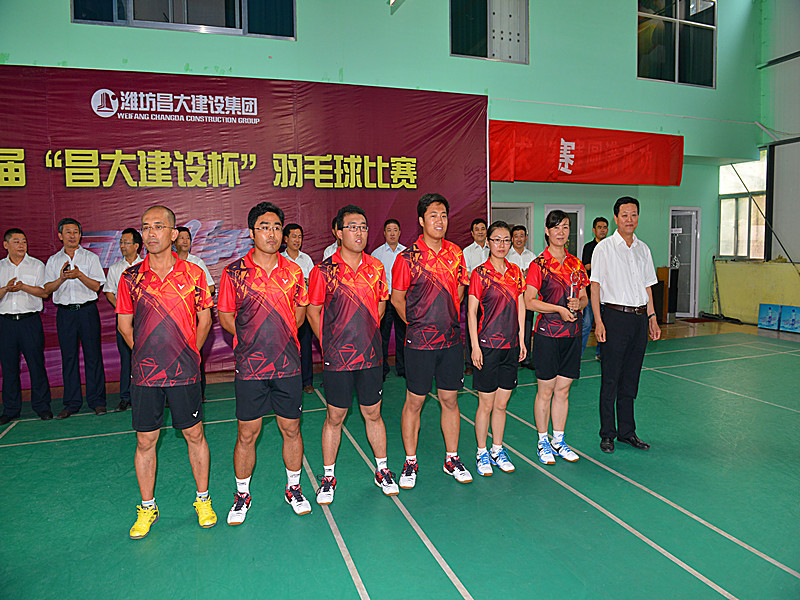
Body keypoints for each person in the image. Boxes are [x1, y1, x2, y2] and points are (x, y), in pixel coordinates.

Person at [117, 205, 216, 539]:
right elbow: (125, 325)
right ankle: (148, 507)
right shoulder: (130, 277)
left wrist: (188, 353)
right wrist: (146, 355)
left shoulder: (194, 274)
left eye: (158, 226)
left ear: (173, 234)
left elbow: (205, 320)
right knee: (146, 440)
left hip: (185, 371)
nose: (151, 233)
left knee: (194, 435)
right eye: (146, 227)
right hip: (146, 375)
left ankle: (203, 499)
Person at [217, 202, 312, 523]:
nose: (271, 233)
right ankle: (242, 494)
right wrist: (252, 338)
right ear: (251, 233)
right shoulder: (234, 273)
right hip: (250, 366)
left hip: (287, 364)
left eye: (276, 227)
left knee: (291, 428)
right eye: (264, 227)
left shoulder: (294, 271)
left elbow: (300, 315)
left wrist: (279, 336)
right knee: (247, 433)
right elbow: (226, 317)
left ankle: (294, 488)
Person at [307, 205, 399, 505]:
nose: (359, 233)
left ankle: (382, 470)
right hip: (338, 358)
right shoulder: (323, 271)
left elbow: (381, 305)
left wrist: (367, 334)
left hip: (371, 356)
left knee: (374, 413)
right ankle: (328, 477)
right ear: (338, 232)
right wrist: (329, 343)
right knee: (335, 417)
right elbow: (313, 311)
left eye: (363, 227)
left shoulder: (376, 267)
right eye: (352, 227)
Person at [392, 193, 472, 487]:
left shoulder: (456, 253)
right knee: (414, 402)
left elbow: (460, 289)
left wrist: (446, 316)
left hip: (451, 342)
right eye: (433, 215)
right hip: (419, 344)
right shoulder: (407, 258)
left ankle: (452, 458)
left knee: (450, 400)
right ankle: (410, 462)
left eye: (444, 215)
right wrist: (418, 325)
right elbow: (397, 299)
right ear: (421, 220)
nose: (440, 221)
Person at [590, 197, 661, 454]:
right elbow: (595, 287)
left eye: (634, 214)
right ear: (616, 218)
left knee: (631, 378)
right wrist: (598, 322)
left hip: (639, 319)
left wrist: (652, 317)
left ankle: (627, 432)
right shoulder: (604, 249)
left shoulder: (643, 249)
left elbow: (648, 286)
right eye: (624, 215)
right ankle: (608, 433)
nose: (629, 219)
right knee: (611, 379)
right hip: (614, 318)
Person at [524, 210, 589, 465]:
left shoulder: (576, 264)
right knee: (546, 390)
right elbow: (529, 301)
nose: (561, 232)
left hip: (572, 335)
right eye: (556, 227)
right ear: (547, 231)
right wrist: (559, 309)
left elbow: (584, 297)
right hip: (547, 335)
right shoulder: (538, 265)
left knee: (563, 390)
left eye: (565, 227)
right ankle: (543, 441)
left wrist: (578, 303)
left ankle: (559, 440)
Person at [467, 221, 526, 476]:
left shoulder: (516, 272)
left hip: (510, 346)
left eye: (506, 240)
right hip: (488, 346)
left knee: (502, 404)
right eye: (497, 240)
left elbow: (521, 306)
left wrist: (522, 340)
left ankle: (497, 449)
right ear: (488, 242)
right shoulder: (480, 274)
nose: (501, 245)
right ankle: (481, 452)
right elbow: (471, 312)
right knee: (486, 404)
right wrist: (475, 346)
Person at [44, 218, 107, 419]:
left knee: (93, 356)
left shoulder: (90, 258)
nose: (72, 236)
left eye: (75, 232)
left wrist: (79, 275)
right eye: (68, 232)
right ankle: (72, 403)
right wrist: (62, 278)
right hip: (65, 314)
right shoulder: (54, 260)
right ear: (60, 236)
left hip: (87, 311)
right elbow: (47, 289)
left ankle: (97, 401)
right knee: (68, 357)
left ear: (80, 235)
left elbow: (96, 286)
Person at [0, 228, 52, 423]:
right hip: (6, 323)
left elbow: (44, 292)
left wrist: (23, 287)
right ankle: (11, 409)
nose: (21, 245)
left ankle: (42, 406)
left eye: (23, 241)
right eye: (16, 242)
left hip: (30, 321)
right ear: (6, 245)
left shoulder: (36, 265)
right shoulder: (0, 267)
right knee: (9, 367)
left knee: (36, 364)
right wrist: (6, 289)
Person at [103, 228, 143, 412]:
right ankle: (126, 397)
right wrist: (123, 309)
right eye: (121, 243)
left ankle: (149, 394)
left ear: (136, 246)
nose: (122, 246)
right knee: (126, 357)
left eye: (126, 242)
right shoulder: (115, 268)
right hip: (124, 319)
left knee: (148, 356)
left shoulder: (146, 265)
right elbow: (109, 292)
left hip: (144, 319)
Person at [175, 226, 214, 401]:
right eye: (181, 238)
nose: (185, 241)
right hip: (173, 317)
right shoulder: (168, 262)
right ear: (174, 240)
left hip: (193, 316)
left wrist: (191, 293)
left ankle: (198, 391)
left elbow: (210, 287)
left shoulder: (196, 263)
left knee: (195, 353)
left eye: (187, 238)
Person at [282, 223, 316, 394]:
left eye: (300, 237)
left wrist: (303, 281)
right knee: (286, 346)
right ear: (285, 239)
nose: (297, 240)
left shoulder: (306, 259)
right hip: (285, 311)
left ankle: (307, 381)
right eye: (294, 236)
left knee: (305, 345)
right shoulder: (279, 259)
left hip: (304, 309)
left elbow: (314, 282)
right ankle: (287, 380)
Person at [371, 218, 406, 380]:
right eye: (389, 230)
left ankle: (403, 368)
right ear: (384, 233)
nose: (392, 233)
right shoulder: (376, 254)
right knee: (382, 336)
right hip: (383, 299)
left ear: (399, 232)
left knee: (402, 335)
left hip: (402, 298)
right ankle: (382, 369)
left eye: (395, 230)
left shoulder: (406, 253)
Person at [462, 218, 489, 376]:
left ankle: (486, 359)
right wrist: (481, 278)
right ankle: (469, 363)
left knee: (488, 327)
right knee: (471, 327)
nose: (480, 232)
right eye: (477, 229)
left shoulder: (493, 249)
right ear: (472, 233)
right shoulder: (467, 252)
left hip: (490, 296)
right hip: (473, 295)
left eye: (482, 228)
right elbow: (466, 274)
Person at [507, 225, 536, 369]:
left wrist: (528, 275)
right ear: (512, 239)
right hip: (510, 297)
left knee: (527, 327)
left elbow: (537, 277)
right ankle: (512, 357)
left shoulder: (532, 256)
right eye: (516, 236)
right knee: (511, 327)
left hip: (527, 296)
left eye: (522, 236)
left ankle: (526, 359)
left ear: (526, 238)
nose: (519, 239)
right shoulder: (506, 255)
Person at [581, 217, 609, 359]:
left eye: (605, 227)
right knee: (586, 325)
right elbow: (586, 266)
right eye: (599, 227)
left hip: (607, 295)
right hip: (591, 294)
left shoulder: (611, 247)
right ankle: (577, 355)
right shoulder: (588, 247)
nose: (602, 230)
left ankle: (600, 353)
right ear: (594, 230)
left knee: (605, 325)